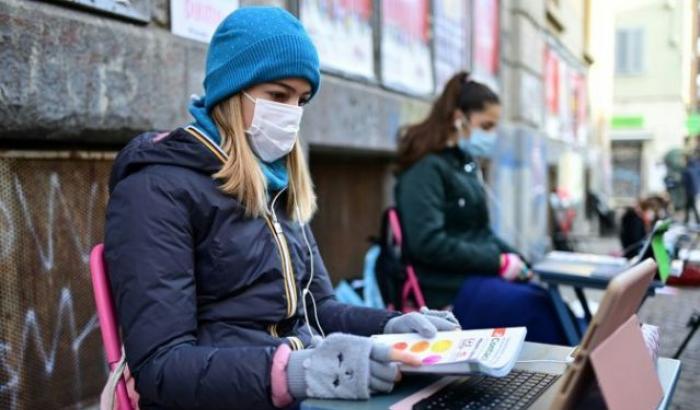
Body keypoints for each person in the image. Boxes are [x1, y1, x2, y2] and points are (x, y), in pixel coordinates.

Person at [104, 7, 459, 409]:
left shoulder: (275, 181)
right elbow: (161, 366)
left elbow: (318, 307)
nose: (291, 113)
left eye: (301, 100)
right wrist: (300, 371)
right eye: (277, 95)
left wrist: (391, 326)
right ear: (231, 92)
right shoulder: (156, 188)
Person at [394, 72, 568, 345]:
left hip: (471, 277)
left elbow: (482, 233)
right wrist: (497, 262)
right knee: (536, 309)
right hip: (443, 289)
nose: (491, 135)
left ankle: (572, 375)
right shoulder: (425, 170)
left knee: (545, 298)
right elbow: (427, 243)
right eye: (486, 126)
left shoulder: (465, 166)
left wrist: (519, 260)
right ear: (458, 118)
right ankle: (565, 380)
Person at [682, 155, 700, 224]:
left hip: (690, 192)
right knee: (690, 205)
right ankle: (687, 219)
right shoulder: (697, 168)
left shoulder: (686, 170)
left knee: (693, 206)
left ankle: (696, 220)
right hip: (697, 190)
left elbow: (684, 182)